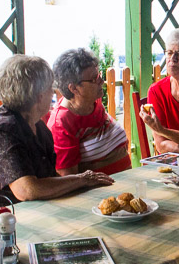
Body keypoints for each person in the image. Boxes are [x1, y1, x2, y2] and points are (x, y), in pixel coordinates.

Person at [0, 55, 113, 216]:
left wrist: (83, 182)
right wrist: (82, 179)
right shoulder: (3, 130)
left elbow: (50, 179)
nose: (53, 93)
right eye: (50, 88)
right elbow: (27, 190)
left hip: (32, 213)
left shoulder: (37, 126)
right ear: (38, 95)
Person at [47, 48, 131, 176]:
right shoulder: (61, 123)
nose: (101, 81)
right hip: (103, 188)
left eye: (99, 75)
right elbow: (69, 178)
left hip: (125, 180)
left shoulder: (92, 102)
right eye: (94, 79)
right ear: (74, 88)